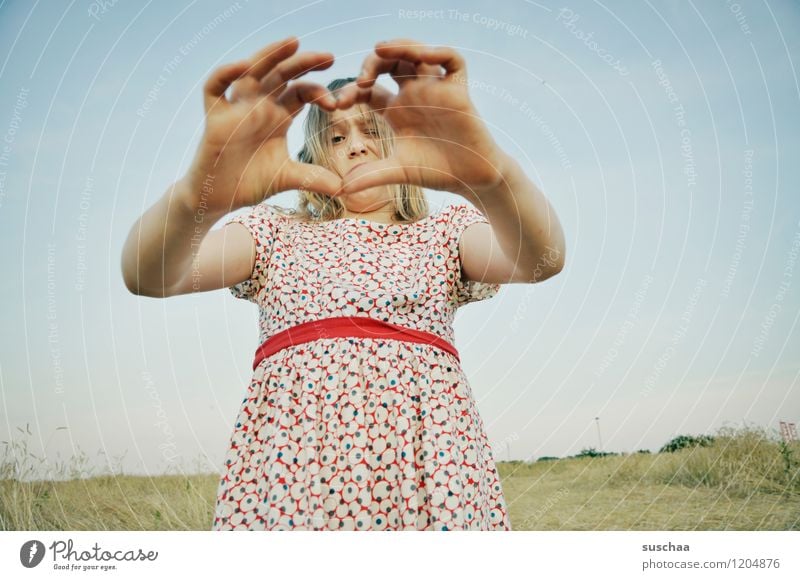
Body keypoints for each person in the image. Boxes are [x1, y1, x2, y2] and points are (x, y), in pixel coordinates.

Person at [121, 36, 565, 531]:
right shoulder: (276, 234)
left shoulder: (444, 232)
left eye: (372, 131)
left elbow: (540, 260)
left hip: (429, 473)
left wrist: (493, 177)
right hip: (295, 476)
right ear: (315, 156)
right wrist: (196, 198)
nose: (355, 144)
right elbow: (149, 276)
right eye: (335, 138)